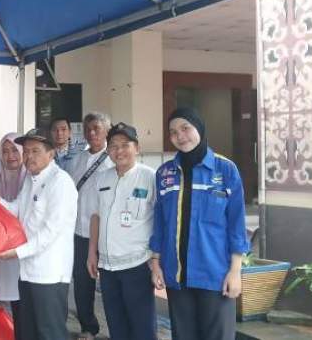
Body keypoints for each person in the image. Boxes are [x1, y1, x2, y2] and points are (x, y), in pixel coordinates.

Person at [150, 108, 249, 340]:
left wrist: (235, 272)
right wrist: (155, 263)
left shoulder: (225, 169)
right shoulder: (165, 173)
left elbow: (236, 225)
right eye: (173, 132)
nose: (180, 136)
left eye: (185, 128)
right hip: (177, 276)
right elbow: (160, 223)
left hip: (215, 275)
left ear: (199, 129)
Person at [0, 128, 77, 340]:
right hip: (27, 271)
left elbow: (50, 232)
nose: (29, 156)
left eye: (35, 151)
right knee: (28, 331)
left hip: (49, 274)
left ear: (51, 153)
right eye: (27, 151)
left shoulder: (60, 182)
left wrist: (17, 252)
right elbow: (17, 209)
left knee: (50, 333)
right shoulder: (31, 179)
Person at [87, 123, 156, 340]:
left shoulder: (151, 177)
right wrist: (91, 253)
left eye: (125, 145)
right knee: (116, 326)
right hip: (108, 267)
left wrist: (156, 260)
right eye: (113, 146)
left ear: (137, 147)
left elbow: (162, 221)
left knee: (142, 327)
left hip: (138, 265)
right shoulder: (102, 178)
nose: (119, 151)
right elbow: (96, 216)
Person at [68, 112, 113, 340]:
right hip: (80, 232)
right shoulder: (76, 160)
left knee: (111, 285)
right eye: (88, 129)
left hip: (108, 233)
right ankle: (89, 327)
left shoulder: (113, 158)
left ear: (107, 131)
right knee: (82, 283)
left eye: (97, 128)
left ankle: (118, 328)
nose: (92, 133)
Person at [0, 133, 26, 337]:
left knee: (30, 303)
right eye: (5, 151)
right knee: (16, 303)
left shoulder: (30, 179)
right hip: (5, 249)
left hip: (28, 250)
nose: (10, 155)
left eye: (14, 150)